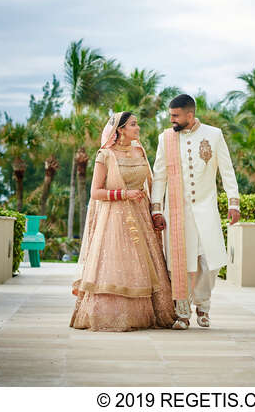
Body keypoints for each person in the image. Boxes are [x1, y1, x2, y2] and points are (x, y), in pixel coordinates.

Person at [70, 111, 176, 332]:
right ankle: (113, 316)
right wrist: (123, 195)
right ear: (120, 130)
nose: (138, 128)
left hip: (141, 216)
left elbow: (152, 183)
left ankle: (147, 314)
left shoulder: (140, 150)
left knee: (144, 264)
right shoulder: (105, 155)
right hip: (114, 219)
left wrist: (156, 212)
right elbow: (95, 192)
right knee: (116, 264)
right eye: (133, 125)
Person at [151, 94, 240, 329]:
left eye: (175, 116)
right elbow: (159, 174)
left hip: (206, 209)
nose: (171, 120)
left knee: (209, 262)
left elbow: (227, 170)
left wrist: (234, 203)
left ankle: (203, 306)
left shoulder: (213, 134)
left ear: (189, 115)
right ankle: (182, 313)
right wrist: (156, 209)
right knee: (179, 262)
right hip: (178, 212)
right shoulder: (166, 139)